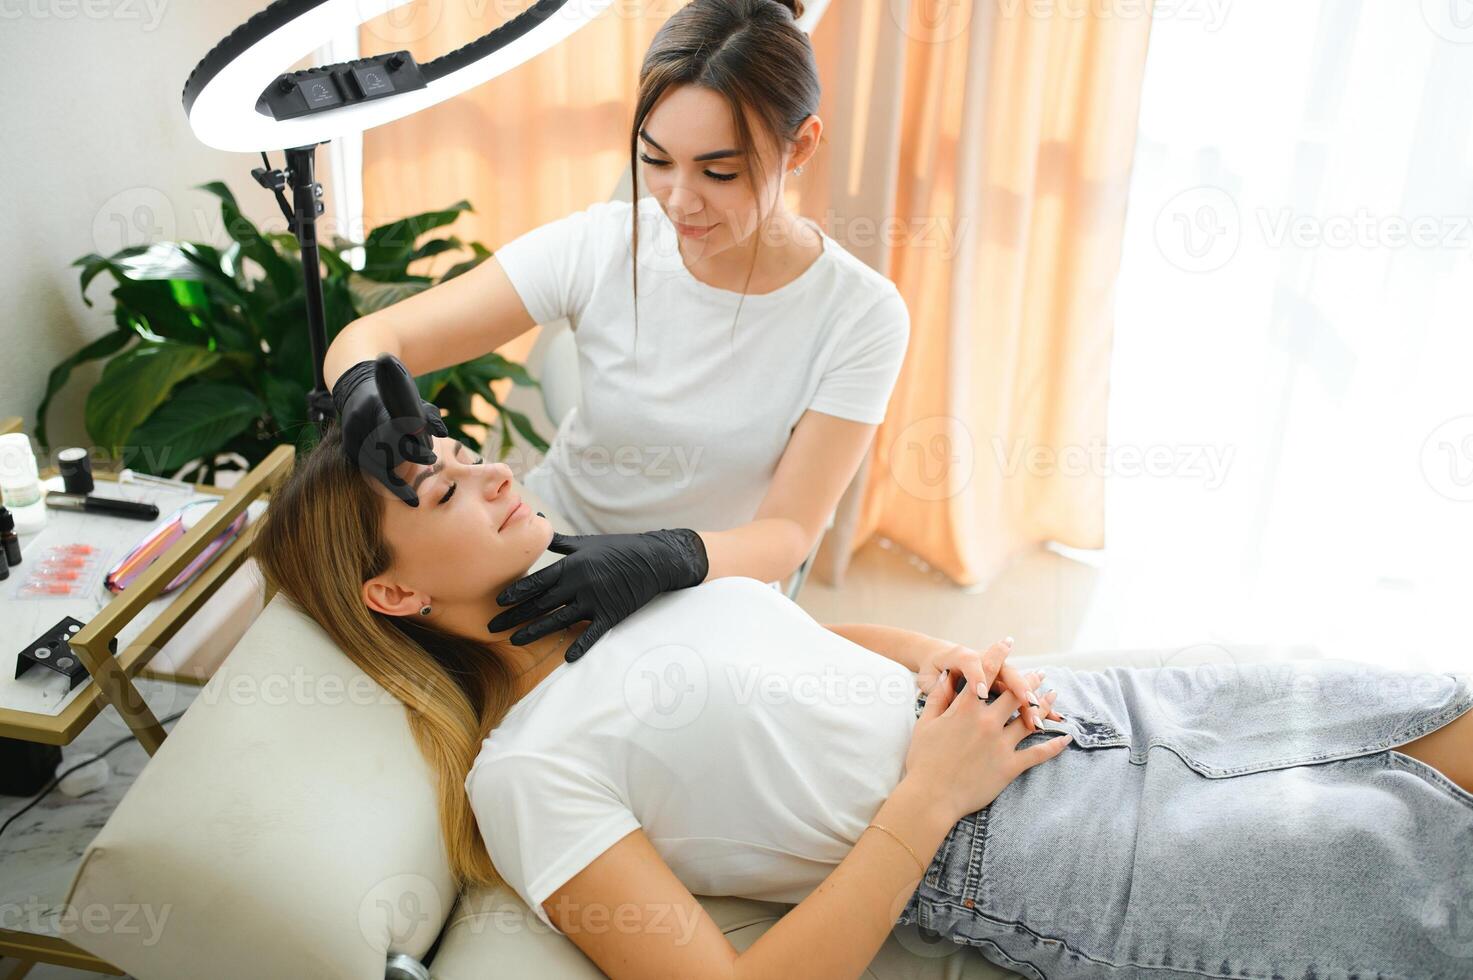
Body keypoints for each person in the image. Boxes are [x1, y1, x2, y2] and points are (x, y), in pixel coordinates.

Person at [252, 428, 1473, 979]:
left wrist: (937, 655)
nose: (492, 471)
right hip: (1027, 840)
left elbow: (811, 639)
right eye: (444, 487)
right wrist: (933, 792)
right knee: (1400, 859)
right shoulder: (523, 775)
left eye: (465, 452)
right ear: (395, 588)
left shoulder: (607, 586)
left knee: (1420, 703)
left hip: (1069, 704)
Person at [323, 0, 910, 663]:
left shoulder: (860, 315)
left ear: (799, 145)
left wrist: (670, 556)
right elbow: (378, 335)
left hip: (705, 583)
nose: (679, 199)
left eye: (718, 171)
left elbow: (789, 529)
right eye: (655, 159)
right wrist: (361, 392)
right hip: (546, 551)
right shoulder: (604, 245)